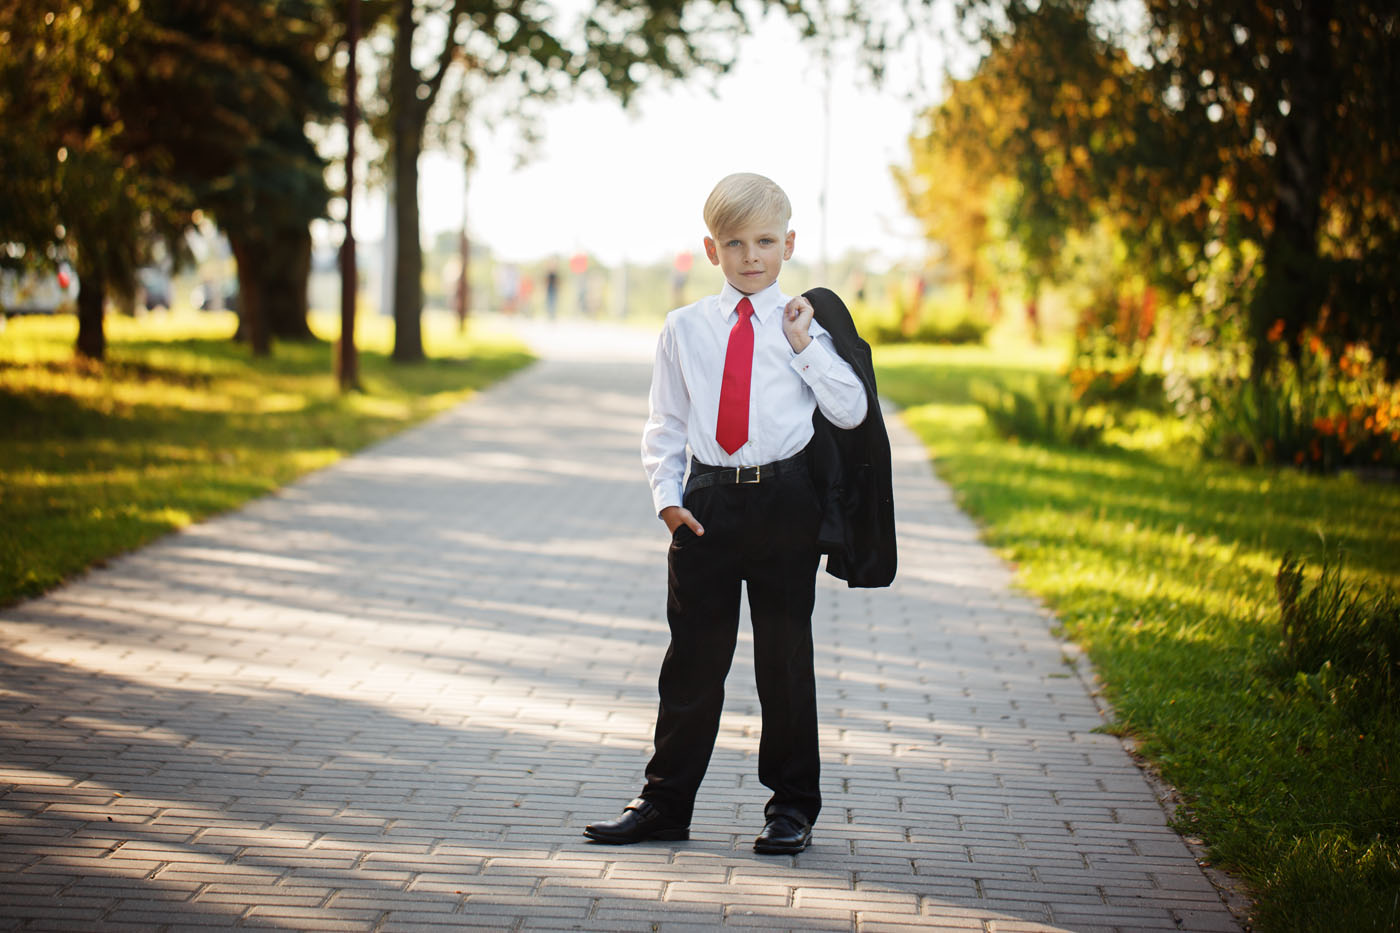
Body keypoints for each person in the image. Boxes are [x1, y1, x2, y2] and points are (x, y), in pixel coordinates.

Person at [583, 173, 872, 855]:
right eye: (735, 242)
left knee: (784, 659)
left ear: (788, 244)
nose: (751, 256)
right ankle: (664, 803)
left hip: (784, 507)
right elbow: (665, 422)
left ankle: (792, 807)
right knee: (691, 662)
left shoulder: (803, 325)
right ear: (712, 250)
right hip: (707, 507)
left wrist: (806, 349)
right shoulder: (684, 328)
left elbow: (851, 410)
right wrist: (669, 500)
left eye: (766, 241)